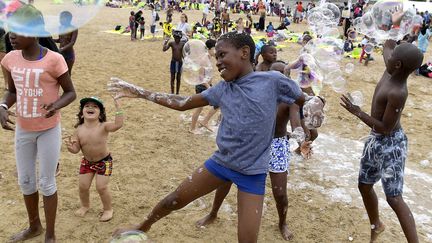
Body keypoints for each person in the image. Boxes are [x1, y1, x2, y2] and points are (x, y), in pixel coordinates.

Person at [108, 32, 321, 242]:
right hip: (221, 164)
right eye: (216, 57)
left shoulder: (273, 81)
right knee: (173, 200)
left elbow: (305, 102)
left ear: (244, 52)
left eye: (222, 55)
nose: (217, 62)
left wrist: (315, 111)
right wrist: (141, 93)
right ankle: (142, 227)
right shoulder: (222, 89)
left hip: (253, 174)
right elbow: (183, 103)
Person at [195, 58, 315, 242]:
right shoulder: (256, 92)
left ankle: (282, 222)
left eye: (282, 74)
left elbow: (296, 124)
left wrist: (301, 141)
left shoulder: (288, 100)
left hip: (277, 145)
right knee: (225, 180)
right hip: (251, 142)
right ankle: (213, 213)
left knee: (280, 193)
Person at [0, 5, 76, 242]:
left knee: (46, 181)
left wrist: (56, 104)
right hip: (23, 129)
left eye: (18, 31)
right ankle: (35, 226)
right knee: (25, 180)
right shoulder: (10, 59)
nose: (11, 36)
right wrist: (3, 106)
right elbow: (12, 91)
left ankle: (50, 234)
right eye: (10, 31)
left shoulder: (54, 60)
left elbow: (70, 92)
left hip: (49, 130)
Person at [340, 39, 423, 243]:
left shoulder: (398, 92)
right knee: (364, 185)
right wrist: (394, 41)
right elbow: (388, 47)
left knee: (394, 198)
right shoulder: (391, 69)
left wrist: (357, 112)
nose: (387, 56)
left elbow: (385, 128)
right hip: (375, 141)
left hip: (391, 144)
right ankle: (377, 224)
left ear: (397, 65)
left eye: (392, 57)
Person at [65, 96, 124, 222]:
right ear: (81, 112)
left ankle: (108, 209)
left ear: (101, 113)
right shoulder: (79, 130)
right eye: (87, 106)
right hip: (87, 162)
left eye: (95, 106)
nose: (90, 108)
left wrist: (118, 107)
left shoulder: (104, 126)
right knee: (83, 186)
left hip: (104, 161)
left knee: (101, 187)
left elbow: (118, 124)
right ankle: (85, 206)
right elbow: (76, 150)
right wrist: (71, 148)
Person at [189, 39, 218, 134]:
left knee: (217, 104)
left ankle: (205, 121)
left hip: (207, 86)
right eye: (215, 48)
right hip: (202, 86)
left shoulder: (209, 58)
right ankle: (192, 128)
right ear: (210, 49)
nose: (216, 51)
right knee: (199, 108)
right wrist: (208, 87)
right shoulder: (204, 60)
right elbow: (201, 77)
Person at [54, 11, 78, 76]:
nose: (60, 20)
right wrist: (51, 40)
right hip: (61, 53)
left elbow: (72, 42)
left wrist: (62, 49)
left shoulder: (73, 29)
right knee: (60, 73)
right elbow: (60, 40)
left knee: (68, 73)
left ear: (68, 19)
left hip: (69, 54)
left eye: (61, 18)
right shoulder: (60, 28)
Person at [163, 30, 184, 94]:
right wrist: (165, 42)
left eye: (178, 38)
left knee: (178, 78)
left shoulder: (183, 44)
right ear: (174, 37)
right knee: (172, 78)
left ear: (180, 38)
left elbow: (187, 52)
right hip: (173, 62)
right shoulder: (172, 43)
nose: (177, 39)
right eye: (175, 38)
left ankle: (177, 92)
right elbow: (164, 49)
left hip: (180, 62)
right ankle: (172, 92)